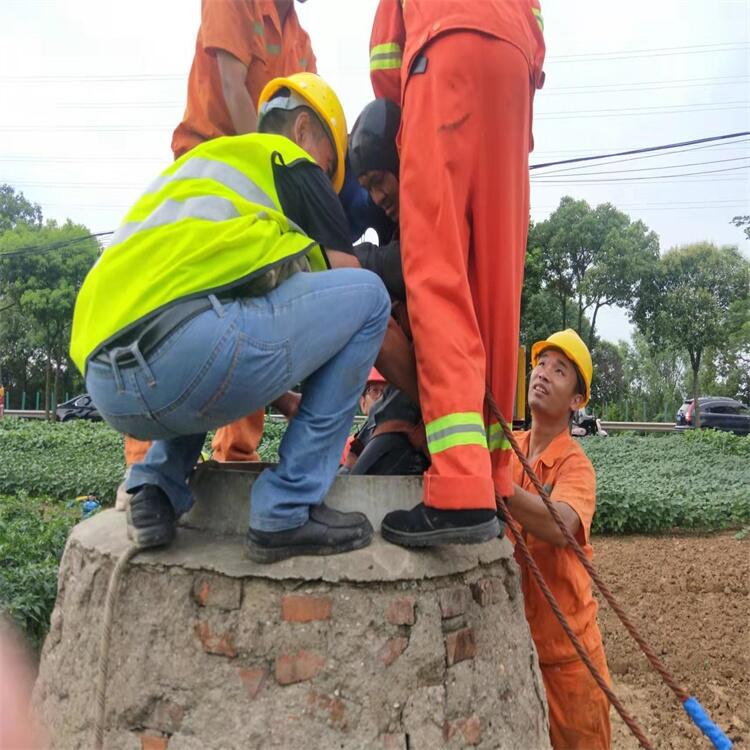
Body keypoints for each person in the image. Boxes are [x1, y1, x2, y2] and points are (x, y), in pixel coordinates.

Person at [70, 73, 391, 564]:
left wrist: (282, 395)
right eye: (331, 165)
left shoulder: (202, 172)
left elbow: (223, 305)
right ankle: (288, 507)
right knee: (369, 297)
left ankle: (154, 488)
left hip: (108, 382)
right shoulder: (288, 161)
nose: (326, 179)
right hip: (187, 352)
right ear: (304, 130)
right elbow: (344, 289)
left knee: (206, 319)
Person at [118, 0, 320, 503]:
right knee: (179, 311)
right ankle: (144, 472)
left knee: (260, 310)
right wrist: (270, 180)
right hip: (207, 169)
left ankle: (237, 458)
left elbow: (308, 124)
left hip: (258, 190)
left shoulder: (300, 38)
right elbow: (233, 88)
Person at [368, 1, 546, 547]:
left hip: (441, 62)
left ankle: (459, 490)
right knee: (496, 284)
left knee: (438, 278)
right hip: (515, 76)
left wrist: (404, 132)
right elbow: (536, 39)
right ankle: (491, 478)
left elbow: (384, 58)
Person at [506, 329, 611, 749]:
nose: (543, 374)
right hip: (516, 651)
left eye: (560, 370)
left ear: (576, 401)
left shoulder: (575, 467)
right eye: (541, 365)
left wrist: (498, 487)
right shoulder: (509, 448)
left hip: (570, 663)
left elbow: (562, 525)